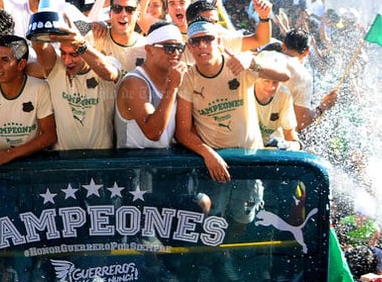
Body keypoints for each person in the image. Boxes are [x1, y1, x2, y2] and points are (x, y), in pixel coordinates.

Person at [175, 20, 288, 182]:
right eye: (196, 41)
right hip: (214, 165)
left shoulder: (237, 64)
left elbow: (284, 76)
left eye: (208, 39)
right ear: (189, 46)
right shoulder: (188, 79)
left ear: (219, 41)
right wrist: (208, 154)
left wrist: (252, 63)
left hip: (249, 160)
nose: (202, 45)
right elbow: (182, 131)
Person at [0, 35, 56, 167]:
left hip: (32, 163)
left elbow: (49, 136)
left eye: (5, 60)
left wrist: (10, 154)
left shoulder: (39, 88)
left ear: (21, 64)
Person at [30, 24, 120, 150]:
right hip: (64, 161)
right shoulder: (56, 67)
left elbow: (109, 74)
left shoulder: (108, 62)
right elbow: (39, 45)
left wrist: (81, 44)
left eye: (74, 54)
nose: (67, 61)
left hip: (100, 160)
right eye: (63, 53)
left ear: (89, 47)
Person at [115, 22, 187, 148]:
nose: (176, 53)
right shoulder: (134, 82)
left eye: (180, 47)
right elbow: (153, 132)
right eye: (169, 47)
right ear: (149, 49)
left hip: (162, 162)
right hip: (133, 163)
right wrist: (172, 87)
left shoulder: (177, 78)